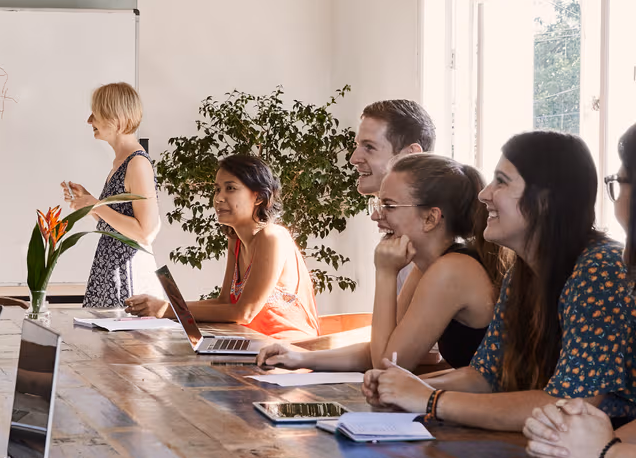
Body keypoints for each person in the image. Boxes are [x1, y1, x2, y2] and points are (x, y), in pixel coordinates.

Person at [364, 130, 636, 430]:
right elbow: (485, 375)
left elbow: (569, 407)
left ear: (544, 201)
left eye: (502, 182)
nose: (484, 194)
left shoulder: (600, 268)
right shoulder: (522, 271)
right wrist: (403, 385)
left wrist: (430, 399)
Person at [257, 154, 502, 371]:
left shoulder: (452, 271)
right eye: (378, 204)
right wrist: (302, 357)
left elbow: (388, 365)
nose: (376, 215)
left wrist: (385, 273)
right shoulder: (425, 267)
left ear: (430, 218)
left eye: (389, 206)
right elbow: (380, 349)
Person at [524, 123, 636, 458]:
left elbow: (581, 399)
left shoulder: (600, 265)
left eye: (620, 184)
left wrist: (607, 456)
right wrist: (581, 445)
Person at [125, 155, 320, 341]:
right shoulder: (235, 239)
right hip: (251, 343)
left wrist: (167, 309)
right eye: (217, 189)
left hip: (288, 351)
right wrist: (165, 307)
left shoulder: (272, 237)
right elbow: (225, 301)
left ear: (259, 197)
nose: (219, 198)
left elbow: (244, 312)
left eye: (231, 188)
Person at [62, 82, 162, 309]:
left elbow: (145, 233)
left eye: (95, 115)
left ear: (116, 120)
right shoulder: (121, 163)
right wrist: (88, 203)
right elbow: (118, 225)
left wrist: (97, 206)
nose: (89, 121)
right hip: (110, 271)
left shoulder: (137, 163)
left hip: (128, 275)